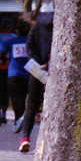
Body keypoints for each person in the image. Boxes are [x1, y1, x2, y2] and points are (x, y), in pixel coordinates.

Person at [19, 11, 52, 153]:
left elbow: (29, 46)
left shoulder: (37, 26)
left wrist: (38, 63)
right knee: (52, 108)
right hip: (54, 73)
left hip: (37, 72)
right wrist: (48, 64)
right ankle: (48, 143)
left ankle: (25, 137)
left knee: (31, 106)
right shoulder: (62, 24)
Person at [7, 21, 31, 134]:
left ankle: (18, 119)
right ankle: (20, 119)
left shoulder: (11, 41)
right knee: (22, 97)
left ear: (17, 30)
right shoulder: (31, 42)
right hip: (28, 74)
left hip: (13, 73)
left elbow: (1, 53)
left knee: (15, 97)